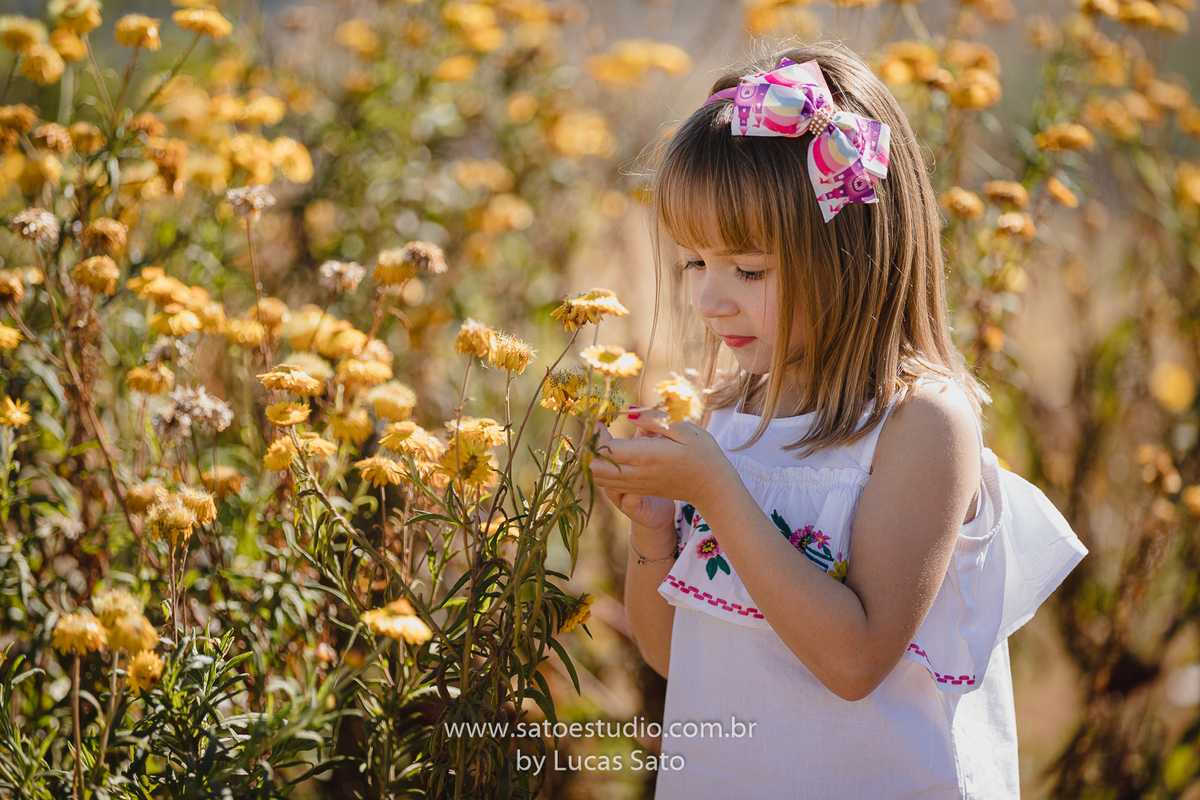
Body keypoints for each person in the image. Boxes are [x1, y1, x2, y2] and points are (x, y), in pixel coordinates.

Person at [589, 41, 1086, 798]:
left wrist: (719, 494)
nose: (708, 300)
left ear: (851, 253)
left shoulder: (919, 428)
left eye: (748, 270)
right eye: (695, 263)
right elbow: (670, 656)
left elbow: (855, 662)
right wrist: (655, 527)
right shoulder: (725, 418)